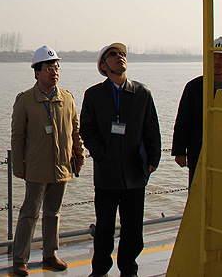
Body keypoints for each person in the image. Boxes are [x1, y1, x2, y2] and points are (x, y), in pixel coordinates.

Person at [79, 42, 161, 277]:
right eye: (113, 55)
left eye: (122, 54)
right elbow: (87, 129)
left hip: (134, 172)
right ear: (104, 66)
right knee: (104, 227)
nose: (120, 57)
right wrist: (101, 155)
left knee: (133, 228)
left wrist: (153, 159)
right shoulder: (94, 95)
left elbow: (152, 128)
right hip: (106, 173)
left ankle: (129, 269)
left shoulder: (142, 93)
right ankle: (100, 270)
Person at [10, 46, 85, 277]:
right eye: (48, 68)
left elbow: (75, 131)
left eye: (56, 67)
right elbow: (18, 136)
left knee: (53, 213)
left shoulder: (67, 98)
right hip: (36, 168)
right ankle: (20, 259)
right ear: (36, 72)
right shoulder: (25, 100)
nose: (54, 72)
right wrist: (18, 166)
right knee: (29, 213)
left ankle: (50, 254)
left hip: (62, 167)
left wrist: (79, 155)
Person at [171, 36, 222, 187]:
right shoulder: (194, 87)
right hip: (199, 151)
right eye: (213, 57)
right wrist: (179, 151)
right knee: (199, 190)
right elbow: (183, 120)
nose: (216, 62)